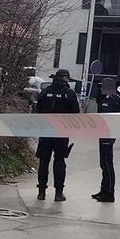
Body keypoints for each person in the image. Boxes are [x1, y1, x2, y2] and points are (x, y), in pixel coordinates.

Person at [35, 69, 80, 202]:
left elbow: (38, 109)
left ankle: (41, 192)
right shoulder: (70, 94)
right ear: (65, 78)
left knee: (43, 162)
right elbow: (75, 113)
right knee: (59, 162)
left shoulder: (45, 92)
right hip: (61, 132)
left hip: (46, 131)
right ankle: (58, 193)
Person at [92, 78, 120, 203]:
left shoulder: (110, 98)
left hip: (108, 133)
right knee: (104, 164)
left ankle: (109, 193)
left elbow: (105, 116)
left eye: (102, 86)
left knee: (107, 164)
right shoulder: (112, 96)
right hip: (106, 133)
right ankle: (104, 190)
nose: (101, 89)